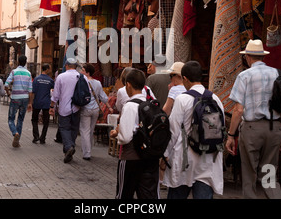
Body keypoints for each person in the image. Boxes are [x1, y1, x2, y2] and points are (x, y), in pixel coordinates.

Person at [226, 39, 281, 199]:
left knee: (249, 173)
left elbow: (238, 110)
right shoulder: (278, 74)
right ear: (262, 56)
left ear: (247, 57)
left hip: (252, 130)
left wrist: (230, 135)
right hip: (273, 128)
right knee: (269, 172)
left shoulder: (244, 76)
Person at [161, 61, 225, 199]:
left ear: (185, 79)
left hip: (185, 159)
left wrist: (165, 154)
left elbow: (173, 131)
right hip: (208, 160)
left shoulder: (182, 99)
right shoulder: (215, 99)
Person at [111, 68, 160, 199]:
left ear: (128, 85)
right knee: (147, 195)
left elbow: (126, 137)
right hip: (150, 157)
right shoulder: (151, 104)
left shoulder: (130, 106)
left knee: (124, 194)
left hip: (131, 157)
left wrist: (118, 134)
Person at [50, 58, 86, 163]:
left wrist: (52, 107)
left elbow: (55, 95)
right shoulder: (82, 77)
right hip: (77, 107)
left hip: (64, 108)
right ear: (75, 66)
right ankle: (69, 149)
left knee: (65, 129)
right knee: (74, 129)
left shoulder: (61, 77)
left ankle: (69, 147)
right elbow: (86, 92)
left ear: (66, 66)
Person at [80, 63, 113, 160]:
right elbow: (103, 97)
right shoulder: (98, 83)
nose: (81, 71)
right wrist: (109, 107)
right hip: (95, 109)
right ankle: (88, 149)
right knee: (90, 130)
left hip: (85, 109)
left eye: (82, 70)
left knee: (85, 131)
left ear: (87, 72)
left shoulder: (82, 82)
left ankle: (86, 153)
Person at [4, 55, 33, 148]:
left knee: (11, 118)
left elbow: (6, 84)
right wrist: (30, 103)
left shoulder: (14, 72)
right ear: (26, 62)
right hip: (24, 99)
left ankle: (15, 132)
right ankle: (17, 140)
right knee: (20, 119)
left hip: (15, 98)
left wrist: (8, 94)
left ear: (18, 62)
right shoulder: (28, 73)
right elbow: (30, 90)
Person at [30, 63, 54, 144]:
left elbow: (33, 92)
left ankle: (36, 136)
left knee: (34, 119)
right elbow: (54, 91)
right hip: (46, 103)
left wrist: (31, 102)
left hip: (37, 102)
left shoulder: (36, 79)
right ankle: (42, 138)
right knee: (46, 121)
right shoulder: (50, 80)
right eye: (49, 68)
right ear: (47, 69)